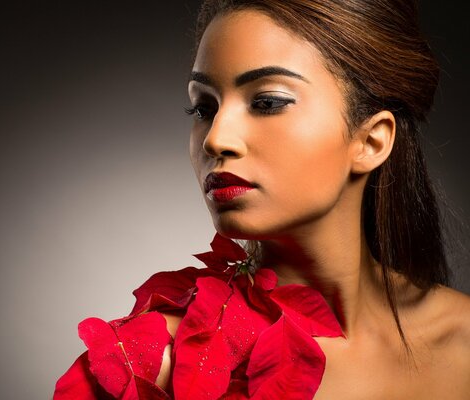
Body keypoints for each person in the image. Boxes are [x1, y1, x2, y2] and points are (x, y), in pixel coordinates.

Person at [53, 0, 470, 398]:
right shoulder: (149, 365)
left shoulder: (463, 337)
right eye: (203, 108)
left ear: (371, 140)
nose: (216, 138)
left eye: (267, 102)